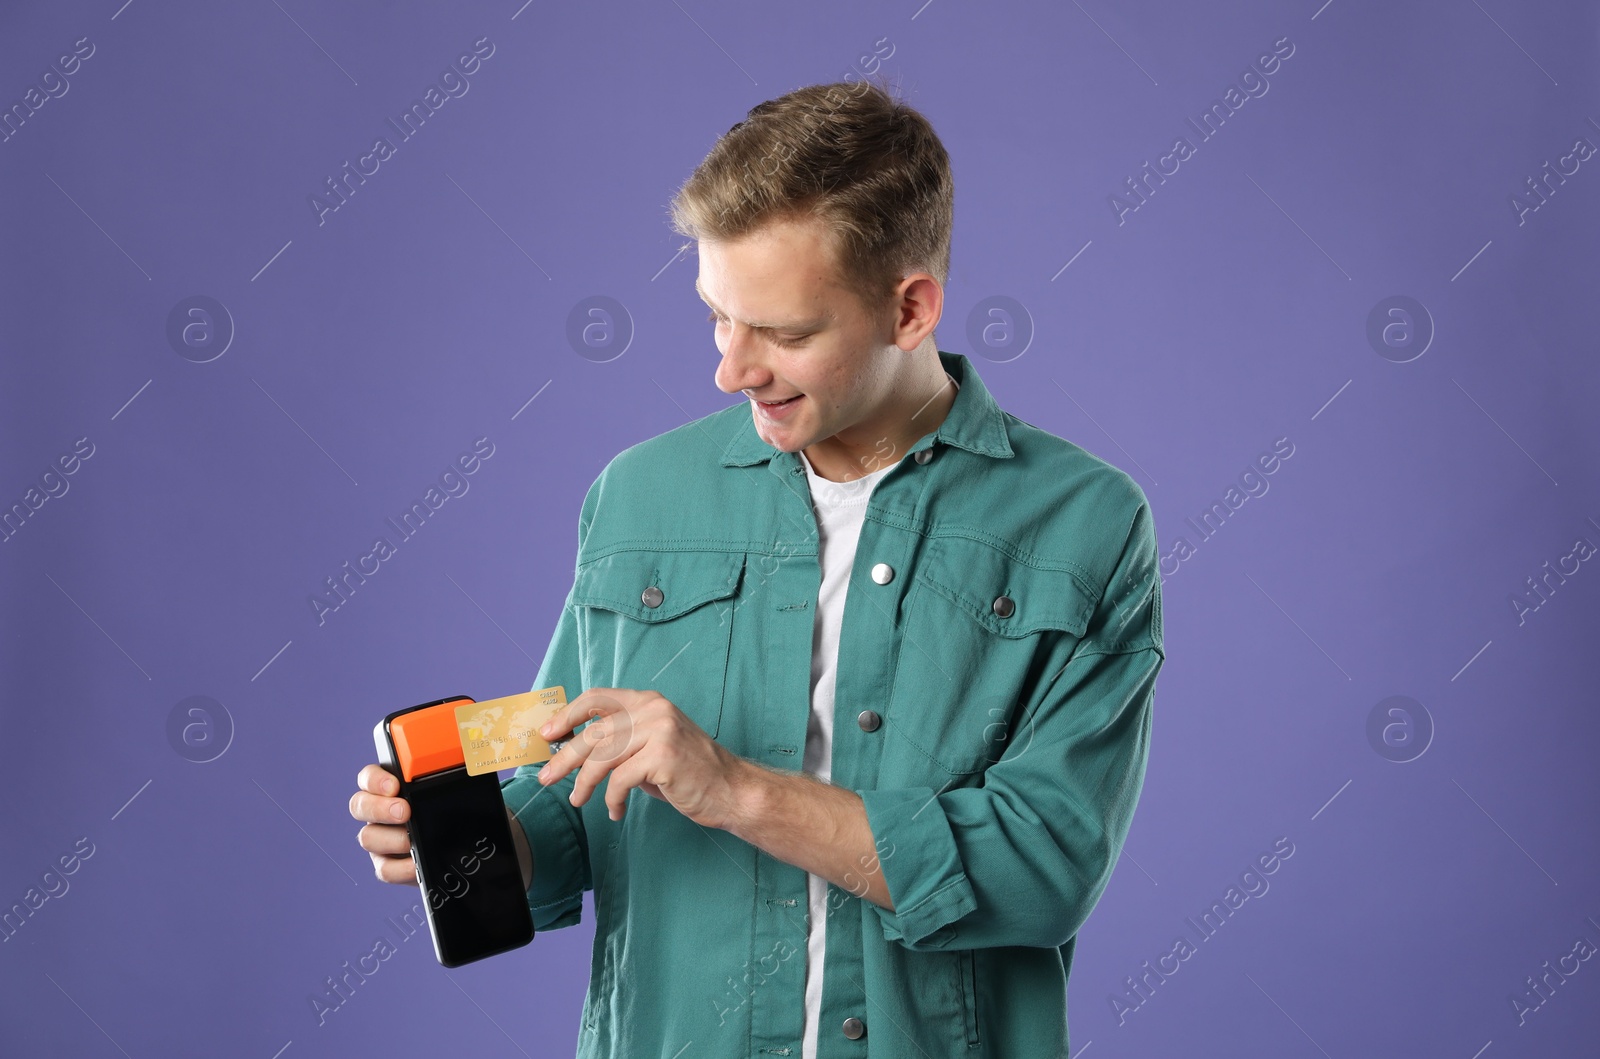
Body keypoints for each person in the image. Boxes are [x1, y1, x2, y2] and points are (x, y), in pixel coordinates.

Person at [351, 76, 1164, 1058]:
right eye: (714, 317)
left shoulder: (1086, 524)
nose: (730, 370)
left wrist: (733, 788)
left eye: (784, 334)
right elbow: (569, 795)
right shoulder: (636, 496)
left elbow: (1042, 869)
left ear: (910, 310)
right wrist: (477, 842)